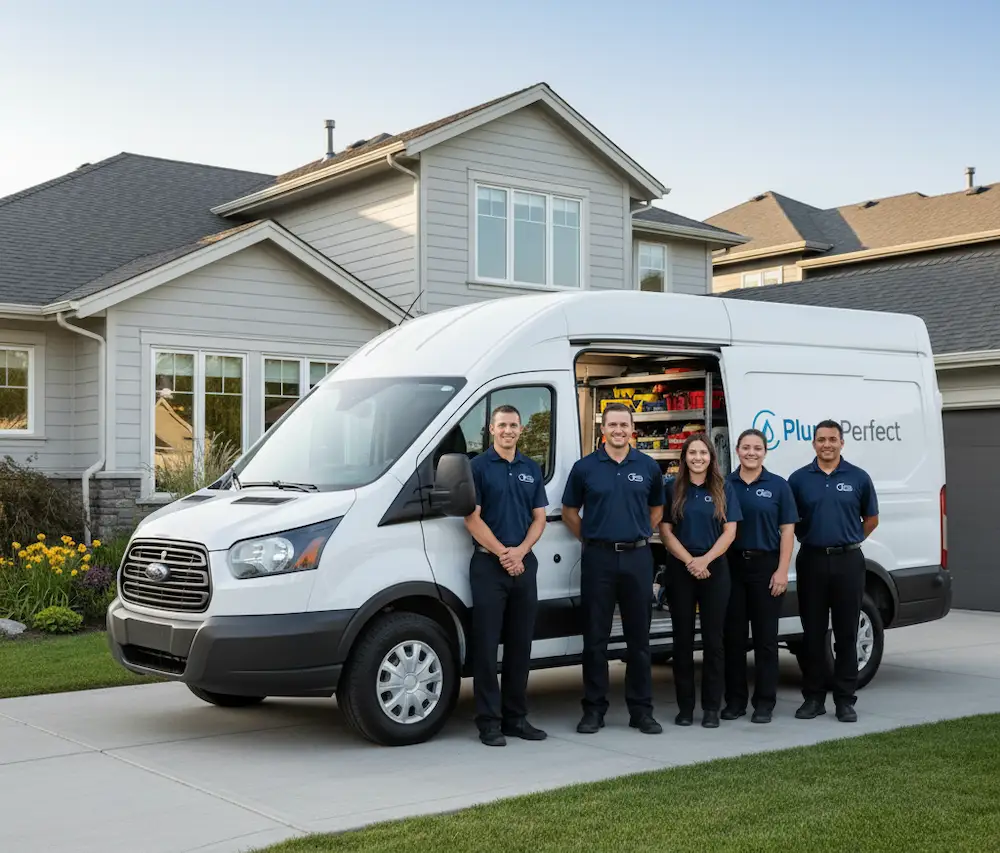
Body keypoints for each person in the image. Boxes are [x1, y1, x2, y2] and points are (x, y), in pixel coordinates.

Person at [562, 402, 665, 736]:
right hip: (599, 559)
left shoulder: (648, 466)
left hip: (637, 558)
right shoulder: (585, 468)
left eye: (624, 425)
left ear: (632, 429)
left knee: (639, 639)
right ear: (602, 429)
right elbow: (569, 511)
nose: (619, 430)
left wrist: (633, 533)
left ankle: (641, 711)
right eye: (613, 425)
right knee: (595, 639)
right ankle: (594, 710)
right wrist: (593, 539)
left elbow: (657, 509)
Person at [464, 404, 549, 746]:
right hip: (488, 566)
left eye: (514, 425)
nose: (508, 430)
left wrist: (520, 552)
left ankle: (516, 718)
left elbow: (539, 518)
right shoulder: (478, 467)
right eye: (502, 425)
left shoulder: (531, 468)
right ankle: (489, 722)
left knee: (520, 646)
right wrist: (503, 553)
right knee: (486, 648)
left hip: (523, 565)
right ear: (491, 428)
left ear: (521, 429)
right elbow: (472, 519)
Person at [788, 419, 879, 723]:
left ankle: (844, 700)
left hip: (848, 562)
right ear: (813, 444)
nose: (826, 444)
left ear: (842, 443)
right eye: (821, 439)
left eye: (832, 439)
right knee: (812, 633)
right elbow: (791, 522)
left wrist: (849, 540)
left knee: (846, 634)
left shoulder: (858, 478)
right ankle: (813, 699)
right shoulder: (799, 479)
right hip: (811, 559)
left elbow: (871, 519)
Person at [659, 432, 742, 728]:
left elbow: (730, 532)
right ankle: (685, 708)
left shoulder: (723, 488)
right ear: (684, 458)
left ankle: (710, 708)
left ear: (711, 457)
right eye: (692, 453)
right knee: (682, 641)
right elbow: (666, 532)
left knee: (713, 642)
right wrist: (690, 561)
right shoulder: (672, 489)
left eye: (703, 453)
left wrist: (705, 561)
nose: (697, 458)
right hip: (681, 569)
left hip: (714, 570)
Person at [722, 428, 798, 724]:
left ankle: (764, 703)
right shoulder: (724, 484)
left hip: (767, 568)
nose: (751, 452)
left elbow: (787, 531)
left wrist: (782, 571)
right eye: (746, 447)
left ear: (765, 452)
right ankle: (736, 702)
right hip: (732, 568)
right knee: (734, 639)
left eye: (757, 448)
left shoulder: (779, 486)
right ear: (737, 450)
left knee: (766, 639)